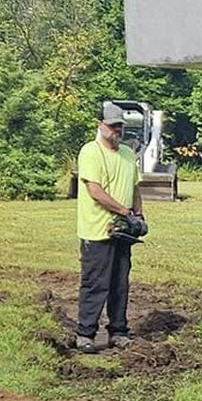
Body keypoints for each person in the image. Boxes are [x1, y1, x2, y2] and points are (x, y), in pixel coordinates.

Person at [75, 101, 145, 353]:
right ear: (100, 125)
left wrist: (139, 214)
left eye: (120, 127)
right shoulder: (90, 152)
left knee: (119, 284)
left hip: (123, 231)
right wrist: (124, 212)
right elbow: (95, 190)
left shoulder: (127, 154)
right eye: (113, 126)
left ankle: (118, 331)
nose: (118, 131)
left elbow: (135, 187)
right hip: (97, 230)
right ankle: (85, 334)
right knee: (95, 283)